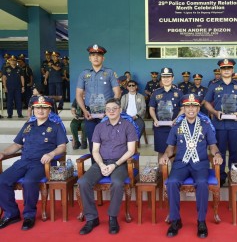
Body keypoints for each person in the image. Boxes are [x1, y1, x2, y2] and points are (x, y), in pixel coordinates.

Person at [159, 94, 223, 238]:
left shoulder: (205, 125)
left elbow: (212, 145)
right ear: (184, 108)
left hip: (199, 164)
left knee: (202, 183)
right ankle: (175, 220)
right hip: (180, 164)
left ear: (198, 108)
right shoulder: (176, 126)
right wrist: (165, 155)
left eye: (194, 106)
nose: (191, 109)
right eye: (188, 106)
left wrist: (217, 154)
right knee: (172, 182)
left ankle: (201, 221)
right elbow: (170, 147)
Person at [0, 96, 67, 230]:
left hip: (42, 163)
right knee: (2, 180)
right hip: (24, 161)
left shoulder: (55, 126)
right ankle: (11, 213)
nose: (40, 111)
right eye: (37, 108)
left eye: (44, 108)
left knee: (29, 181)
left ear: (49, 111)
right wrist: (4, 153)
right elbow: (17, 145)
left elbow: (62, 147)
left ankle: (29, 215)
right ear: (33, 110)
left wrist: (51, 154)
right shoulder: (27, 126)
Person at [77, 98, 138, 235]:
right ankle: (92, 218)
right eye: (108, 109)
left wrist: (114, 165)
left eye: (114, 108)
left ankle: (112, 218)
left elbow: (131, 151)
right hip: (101, 162)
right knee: (83, 182)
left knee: (117, 183)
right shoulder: (99, 127)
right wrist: (101, 164)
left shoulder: (128, 126)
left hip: (120, 163)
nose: (111, 111)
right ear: (105, 111)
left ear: (120, 110)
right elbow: (95, 150)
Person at [204, 59, 237, 186]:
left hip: (235, 124)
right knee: (220, 151)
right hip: (219, 124)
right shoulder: (214, 85)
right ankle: (221, 176)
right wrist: (214, 112)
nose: (227, 70)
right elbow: (206, 102)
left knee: (234, 152)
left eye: (229, 68)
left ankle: (233, 174)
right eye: (224, 68)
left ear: (233, 70)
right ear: (220, 70)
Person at [76, 44, 121, 153]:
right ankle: (95, 167)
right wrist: (84, 111)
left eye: (98, 55)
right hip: (89, 113)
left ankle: (109, 167)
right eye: (93, 55)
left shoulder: (109, 73)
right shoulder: (84, 74)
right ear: (89, 58)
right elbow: (79, 94)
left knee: (109, 141)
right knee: (93, 142)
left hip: (106, 114)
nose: (96, 57)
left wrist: (111, 110)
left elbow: (117, 92)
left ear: (103, 58)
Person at [149, 67, 183, 159]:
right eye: (164, 77)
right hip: (160, 127)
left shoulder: (179, 92)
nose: (166, 79)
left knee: (174, 151)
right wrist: (155, 119)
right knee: (161, 151)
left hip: (174, 126)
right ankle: (161, 173)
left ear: (173, 78)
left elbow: (183, 109)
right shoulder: (156, 93)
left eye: (168, 77)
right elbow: (151, 108)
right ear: (161, 78)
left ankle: (174, 173)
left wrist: (176, 119)